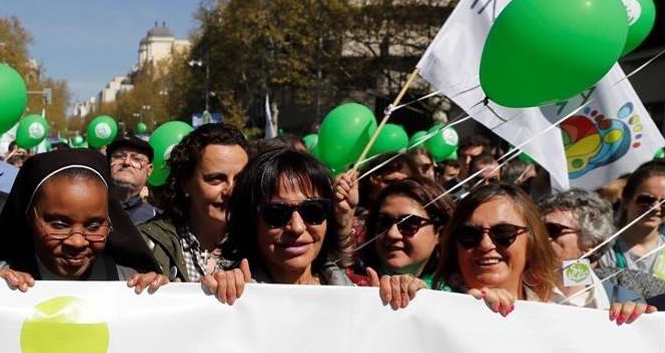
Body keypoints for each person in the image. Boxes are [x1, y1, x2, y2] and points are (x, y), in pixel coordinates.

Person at [432, 183, 652, 324]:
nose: (485, 244)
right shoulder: (430, 307)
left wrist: (638, 328)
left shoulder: (586, 306)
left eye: (504, 233)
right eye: (469, 234)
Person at [0, 149, 162, 290]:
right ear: (29, 218)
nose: (77, 241)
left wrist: (158, 299)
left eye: (94, 226)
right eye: (59, 225)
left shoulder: (128, 284)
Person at [202, 146, 359, 305]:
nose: (297, 227)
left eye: (313, 211)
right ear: (249, 222)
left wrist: (382, 305)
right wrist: (222, 294)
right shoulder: (230, 298)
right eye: (277, 214)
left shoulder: (359, 298)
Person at [138, 123, 249, 282]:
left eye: (241, 179)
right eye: (216, 179)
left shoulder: (263, 246)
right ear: (185, 182)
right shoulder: (146, 244)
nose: (231, 190)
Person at [538, 189, 665, 307]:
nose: (539, 237)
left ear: (590, 243)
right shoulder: (520, 290)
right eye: (536, 229)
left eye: (552, 229)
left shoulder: (624, 300)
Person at [352, 178, 453, 289]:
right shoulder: (348, 282)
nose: (392, 234)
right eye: (384, 221)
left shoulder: (461, 293)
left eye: (409, 223)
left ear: (441, 234)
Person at [606, 161, 665, 281]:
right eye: (646, 199)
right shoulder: (599, 249)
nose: (655, 208)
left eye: (664, 203)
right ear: (627, 199)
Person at [107, 136, 158, 224]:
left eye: (136, 159)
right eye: (119, 156)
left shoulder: (156, 218)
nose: (126, 162)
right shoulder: (90, 209)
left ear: (149, 170)